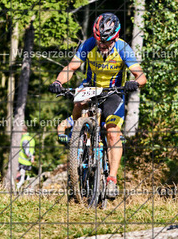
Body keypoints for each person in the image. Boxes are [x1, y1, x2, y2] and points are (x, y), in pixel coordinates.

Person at [48, 13, 147, 197]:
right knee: (78, 100)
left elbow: (141, 76)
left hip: (113, 92)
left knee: (112, 133)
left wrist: (135, 83)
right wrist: (58, 82)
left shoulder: (123, 48)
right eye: (99, 41)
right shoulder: (89, 44)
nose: (101, 45)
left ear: (115, 38)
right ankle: (75, 132)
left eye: (106, 42)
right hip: (90, 87)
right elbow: (71, 67)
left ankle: (112, 180)